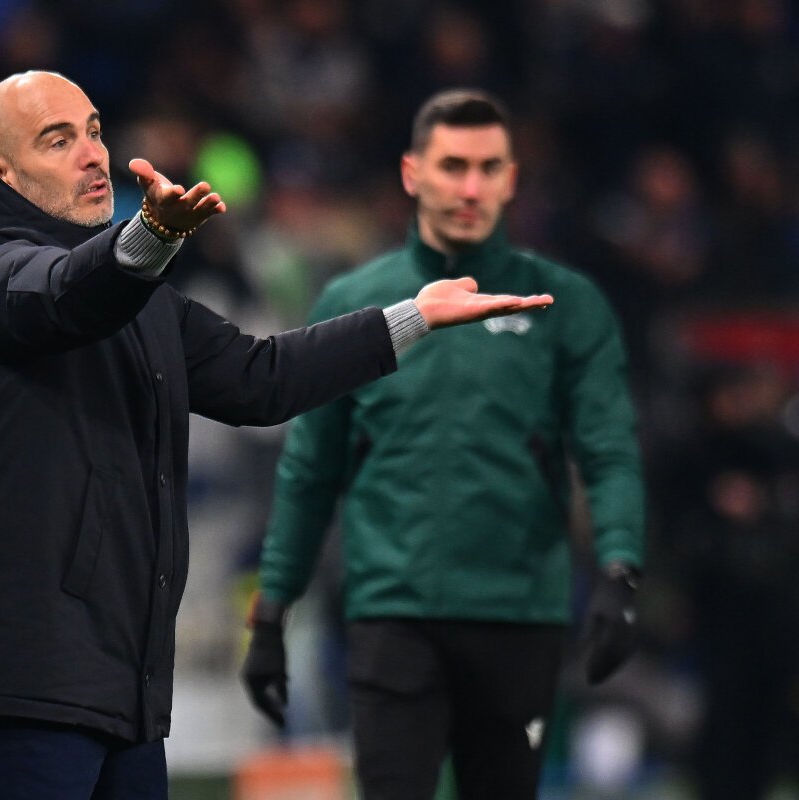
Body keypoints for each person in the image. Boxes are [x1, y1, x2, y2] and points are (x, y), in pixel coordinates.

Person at [0, 70, 551, 800]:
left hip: (123, 685)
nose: (92, 154)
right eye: (57, 141)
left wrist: (410, 317)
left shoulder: (140, 302)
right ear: (2, 173)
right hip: (28, 683)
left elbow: (261, 378)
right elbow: (64, 297)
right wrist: (149, 239)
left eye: (93, 131)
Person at [241, 89, 645, 800]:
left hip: (519, 614)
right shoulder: (354, 305)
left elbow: (608, 450)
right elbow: (311, 468)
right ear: (411, 173)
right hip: (393, 614)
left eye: (489, 168)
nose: (471, 187)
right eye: (453, 165)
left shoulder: (566, 306)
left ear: (512, 180)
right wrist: (273, 608)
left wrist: (620, 570)